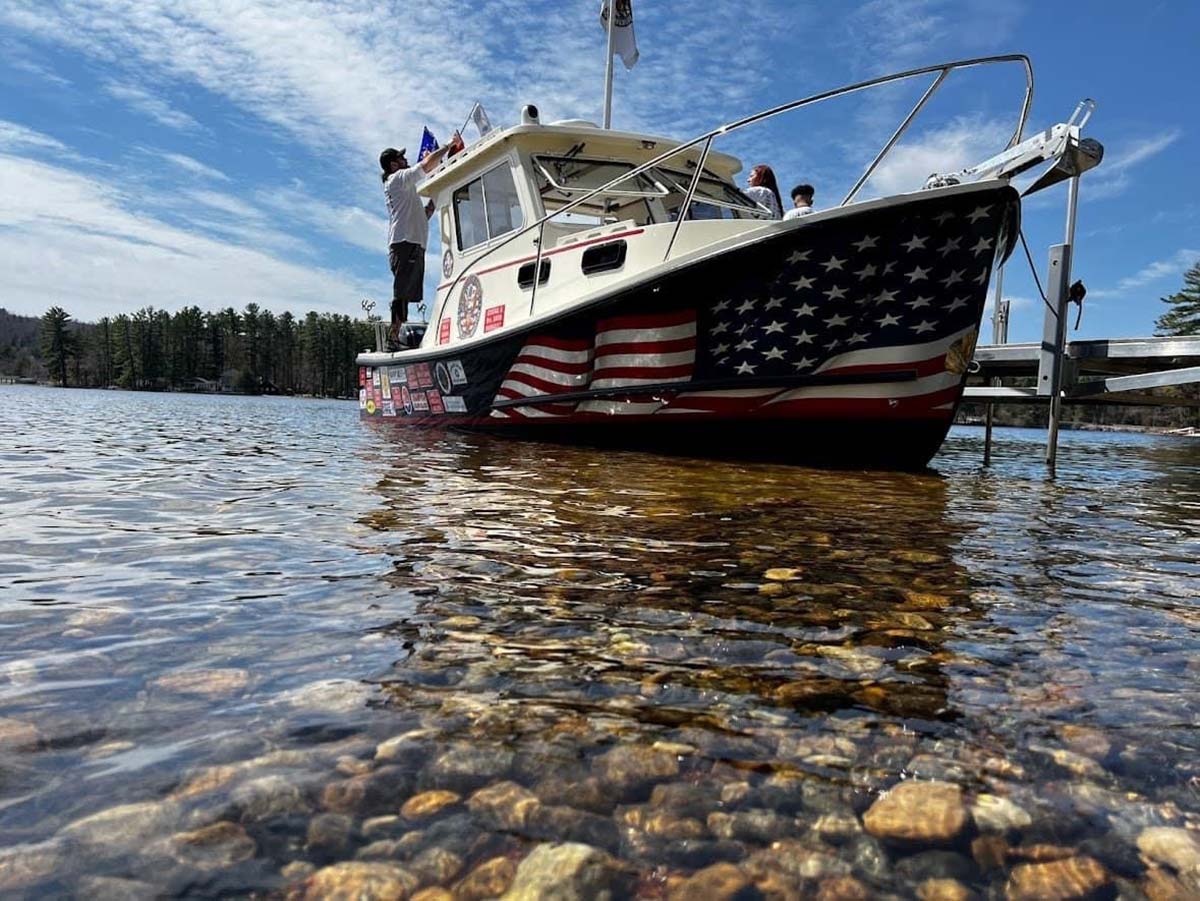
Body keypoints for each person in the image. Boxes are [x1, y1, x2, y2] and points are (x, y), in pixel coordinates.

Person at [379, 134, 462, 345]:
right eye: (401, 158)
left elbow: (423, 214)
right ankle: (393, 337)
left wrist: (438, 194)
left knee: (406, 293)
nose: (406, 161)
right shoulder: (397, 179)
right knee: (402, 292)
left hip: (412, 244)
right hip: (404, 243)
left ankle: (395, 336)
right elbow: (425, 165)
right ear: (393, 164)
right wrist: (448, 146)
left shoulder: (404, 189)